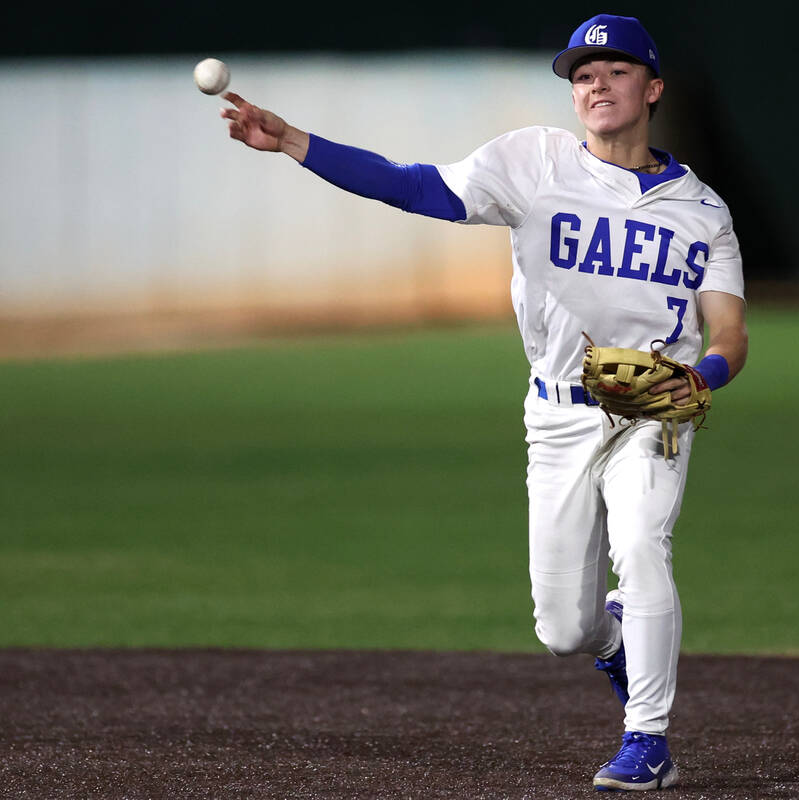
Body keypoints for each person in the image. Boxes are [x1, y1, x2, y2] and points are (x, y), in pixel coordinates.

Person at [218, 12, 749, 792]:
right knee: (564, 627)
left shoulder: (701, 211)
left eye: (615, 69)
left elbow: (730, 331)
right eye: (581, 74)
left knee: (641, 545)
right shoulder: (530, 162)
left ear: (654, 86)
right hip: (557, 412)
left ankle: (649, 740)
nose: (595, 82)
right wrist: (297, 142)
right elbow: (416, 186)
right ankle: (614, 643)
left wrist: (700, 379)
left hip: (652, 410)